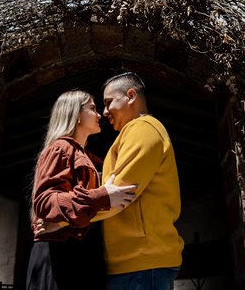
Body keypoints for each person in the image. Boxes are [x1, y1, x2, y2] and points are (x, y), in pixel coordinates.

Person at [37, 73, 184, 289]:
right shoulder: (66, 149)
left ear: (131, 96)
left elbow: (120, 194)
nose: (103, 113)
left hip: (141, 262)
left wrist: (60, 220)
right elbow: (108, 195)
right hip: (130, 263)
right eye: (95, 108)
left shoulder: (141, 128)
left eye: (107, 103)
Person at [29, 89, 138, 290]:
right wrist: (102, 196)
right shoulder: (60, 148)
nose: (99, 115)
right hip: (61, 256)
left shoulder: (89, 157)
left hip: (81, 253)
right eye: (92, 108)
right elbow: (45, 203)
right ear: (76, 115)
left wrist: (63, 223)